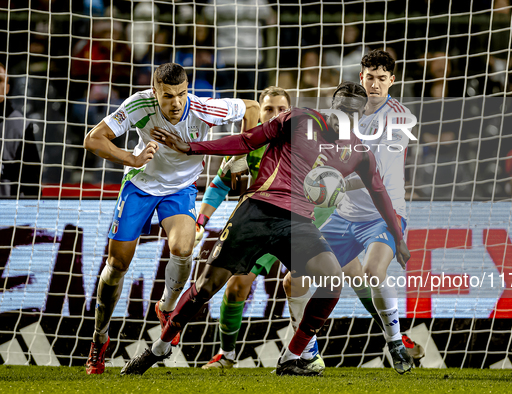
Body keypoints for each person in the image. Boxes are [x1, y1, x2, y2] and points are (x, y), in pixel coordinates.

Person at [120, 82, 411, 377]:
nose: (345, 115)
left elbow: (380, 193)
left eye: (353, 112)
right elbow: (247, 140)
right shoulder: (298, 119)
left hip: (298, 223)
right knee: (208, 286)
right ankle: (158, 347)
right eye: (341, 108)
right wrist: (191, 146)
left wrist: (398, 239)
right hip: (257, 211)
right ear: (332, 105)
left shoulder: (359, 153)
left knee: (332, 280)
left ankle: (291, 356)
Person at [82, 62, 259, 375]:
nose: (176, 102)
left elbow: (252, 107)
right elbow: (94, 139)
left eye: (181, 93)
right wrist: (131, 158)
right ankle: (100, 338)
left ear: (187, 88)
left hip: (180, 190)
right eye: (167, 96)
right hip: (139, 186)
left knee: (183, 249)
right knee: (117, 266)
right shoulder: (139, 105)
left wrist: (239, 156)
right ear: (155, 92)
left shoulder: (204, 108)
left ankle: (166, 307)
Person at [284, 49, 423, 374]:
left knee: (374, 272)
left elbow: (380, 180)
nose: (375, 84)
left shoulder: (399, 119)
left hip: (383, 212)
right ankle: (307, 351)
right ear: (361, 78)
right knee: (294, 280)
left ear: (392, 80)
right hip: (343, 215)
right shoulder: (343, 114)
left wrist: (333, 182)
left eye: (382, 79)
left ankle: (395, 345)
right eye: (369, 77)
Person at [195, 86, 326, 371]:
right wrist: (200, 222)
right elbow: (218, 187)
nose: (275, 114)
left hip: (295, 224)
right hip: (257, 222)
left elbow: (328, 192)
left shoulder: (306, 145)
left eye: (282, 110)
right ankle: (226, 356)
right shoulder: (249, 145)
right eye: (268, 109)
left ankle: (308, 353)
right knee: (235, 288)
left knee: (298, 282)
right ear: (259, 113)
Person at [0, 62, 41, 197]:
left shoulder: (21, 126)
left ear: (7, 88)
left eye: (0, 80)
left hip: (8, 212)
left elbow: (32, 182)